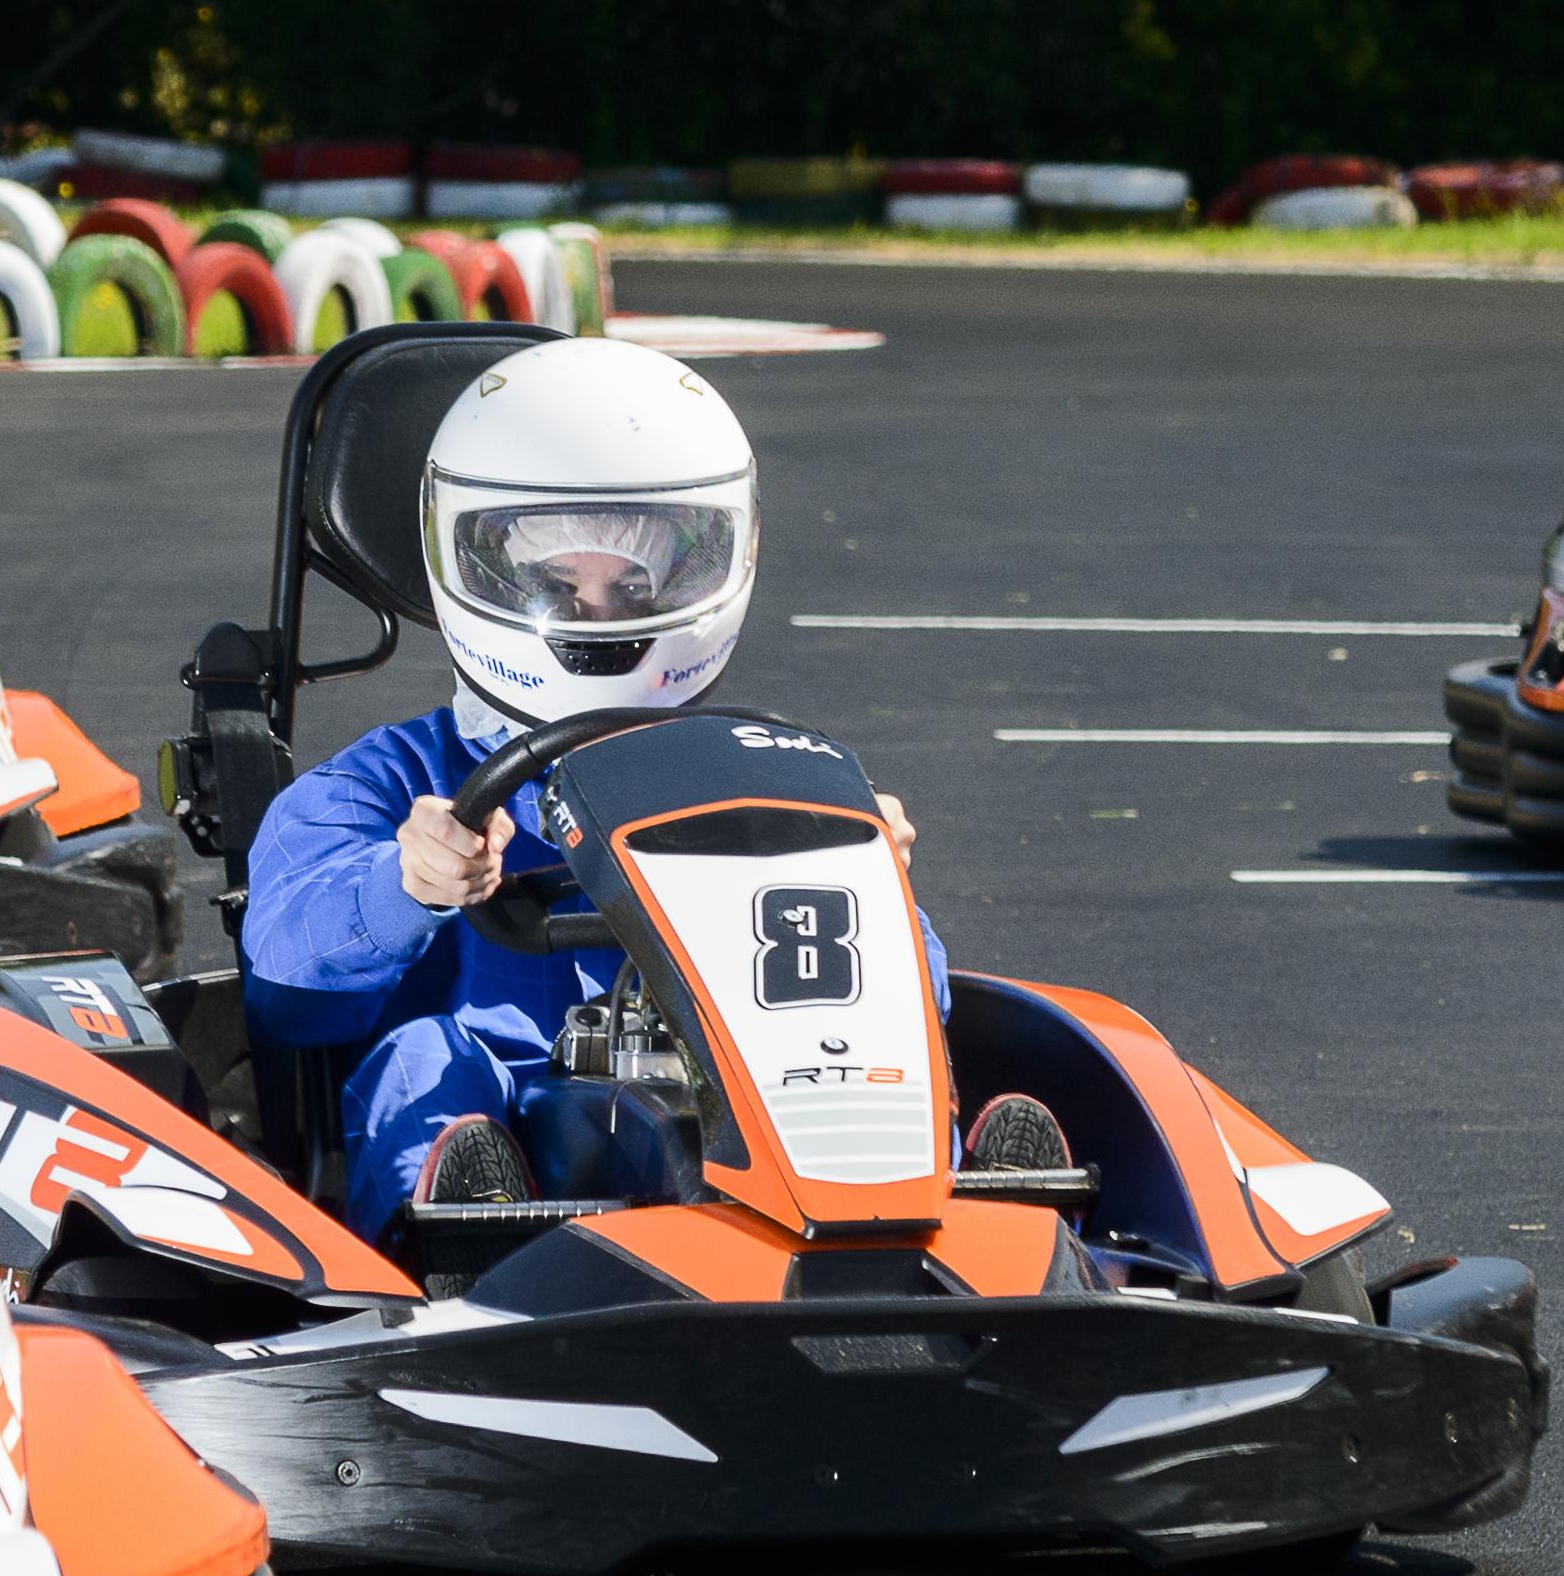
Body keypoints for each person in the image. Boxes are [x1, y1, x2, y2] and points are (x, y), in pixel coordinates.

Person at [236, 336, 1022, 1238]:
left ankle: (976, 1221)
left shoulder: (764, 776)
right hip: (519, 1162)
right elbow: (284, 998)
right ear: (480, 571)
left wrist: (863, 890)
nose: (598, 616)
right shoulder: (385, 784)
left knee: (893, 1060)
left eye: (634, 582)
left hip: (732, 1132)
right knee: (425, 1055)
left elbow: (923, 998)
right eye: (557, 582)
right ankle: (464, 1231)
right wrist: (406, 884)